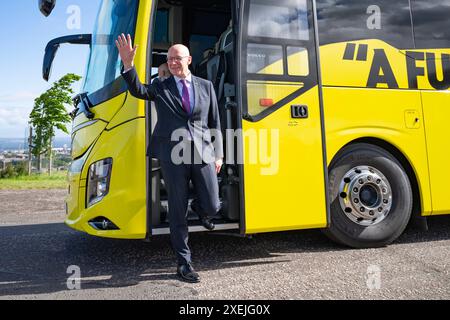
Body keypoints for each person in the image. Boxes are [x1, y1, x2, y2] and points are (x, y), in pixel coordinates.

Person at [116, 34, 223, 283]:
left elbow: (215, 121)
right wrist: (128, 65)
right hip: (172, 155)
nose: (173, 62)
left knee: (213, 204)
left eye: (177, 58)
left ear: (189, 59)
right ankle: (184, 264)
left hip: (202, 151)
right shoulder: (161, 85)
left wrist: (219, 153)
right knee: (177, 211)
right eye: (169, 59)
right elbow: (138, 90)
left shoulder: (206, 86)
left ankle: (201, 209)